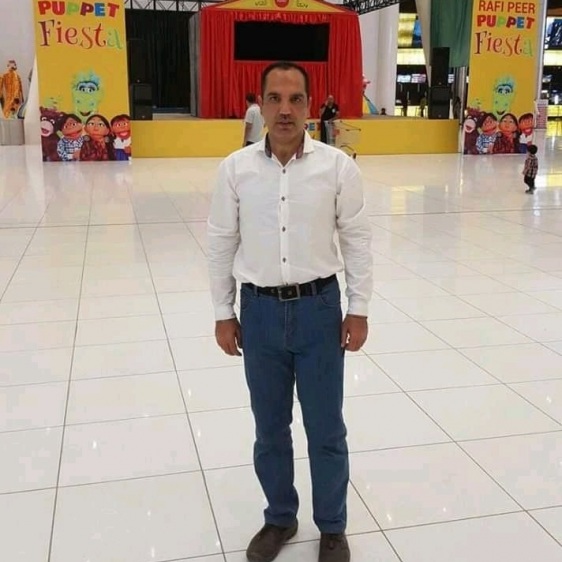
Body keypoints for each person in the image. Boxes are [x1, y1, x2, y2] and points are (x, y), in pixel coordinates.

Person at [207, 61, 372, 562]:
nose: (285, 109)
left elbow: (357, 239)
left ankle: (332, 527)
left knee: (326, 429)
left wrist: (359, 308)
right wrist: (223, 311)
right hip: (258, 313)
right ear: (259, 105)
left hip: (320, 311)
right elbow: (220, 241)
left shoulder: (337, 167)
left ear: (309, 106)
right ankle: (280, 517)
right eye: (274, 99)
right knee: (270, 429)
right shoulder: (235, 169)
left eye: (295, 99)